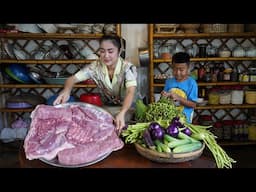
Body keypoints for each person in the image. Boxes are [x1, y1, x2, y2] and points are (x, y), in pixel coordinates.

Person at [53, 34, 137, 134]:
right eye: (102, 51)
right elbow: (72, 79)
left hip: (128, 109)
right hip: (107, 109)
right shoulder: (95, 67)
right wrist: (66, 90)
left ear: (119, 51)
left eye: (110, 51)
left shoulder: (128, 68)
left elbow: (130, 92)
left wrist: (122, 112)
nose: (106, 55)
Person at [161, 52, 198, 123]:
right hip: (169, 119)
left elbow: (193, 104)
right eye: (175, 69)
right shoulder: (168, 82)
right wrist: (163, 95)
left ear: (188, 68)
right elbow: (164, 100)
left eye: (181, 70)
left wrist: (178, 98)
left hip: (185, 121)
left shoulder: (192, 83)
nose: (178, 72)